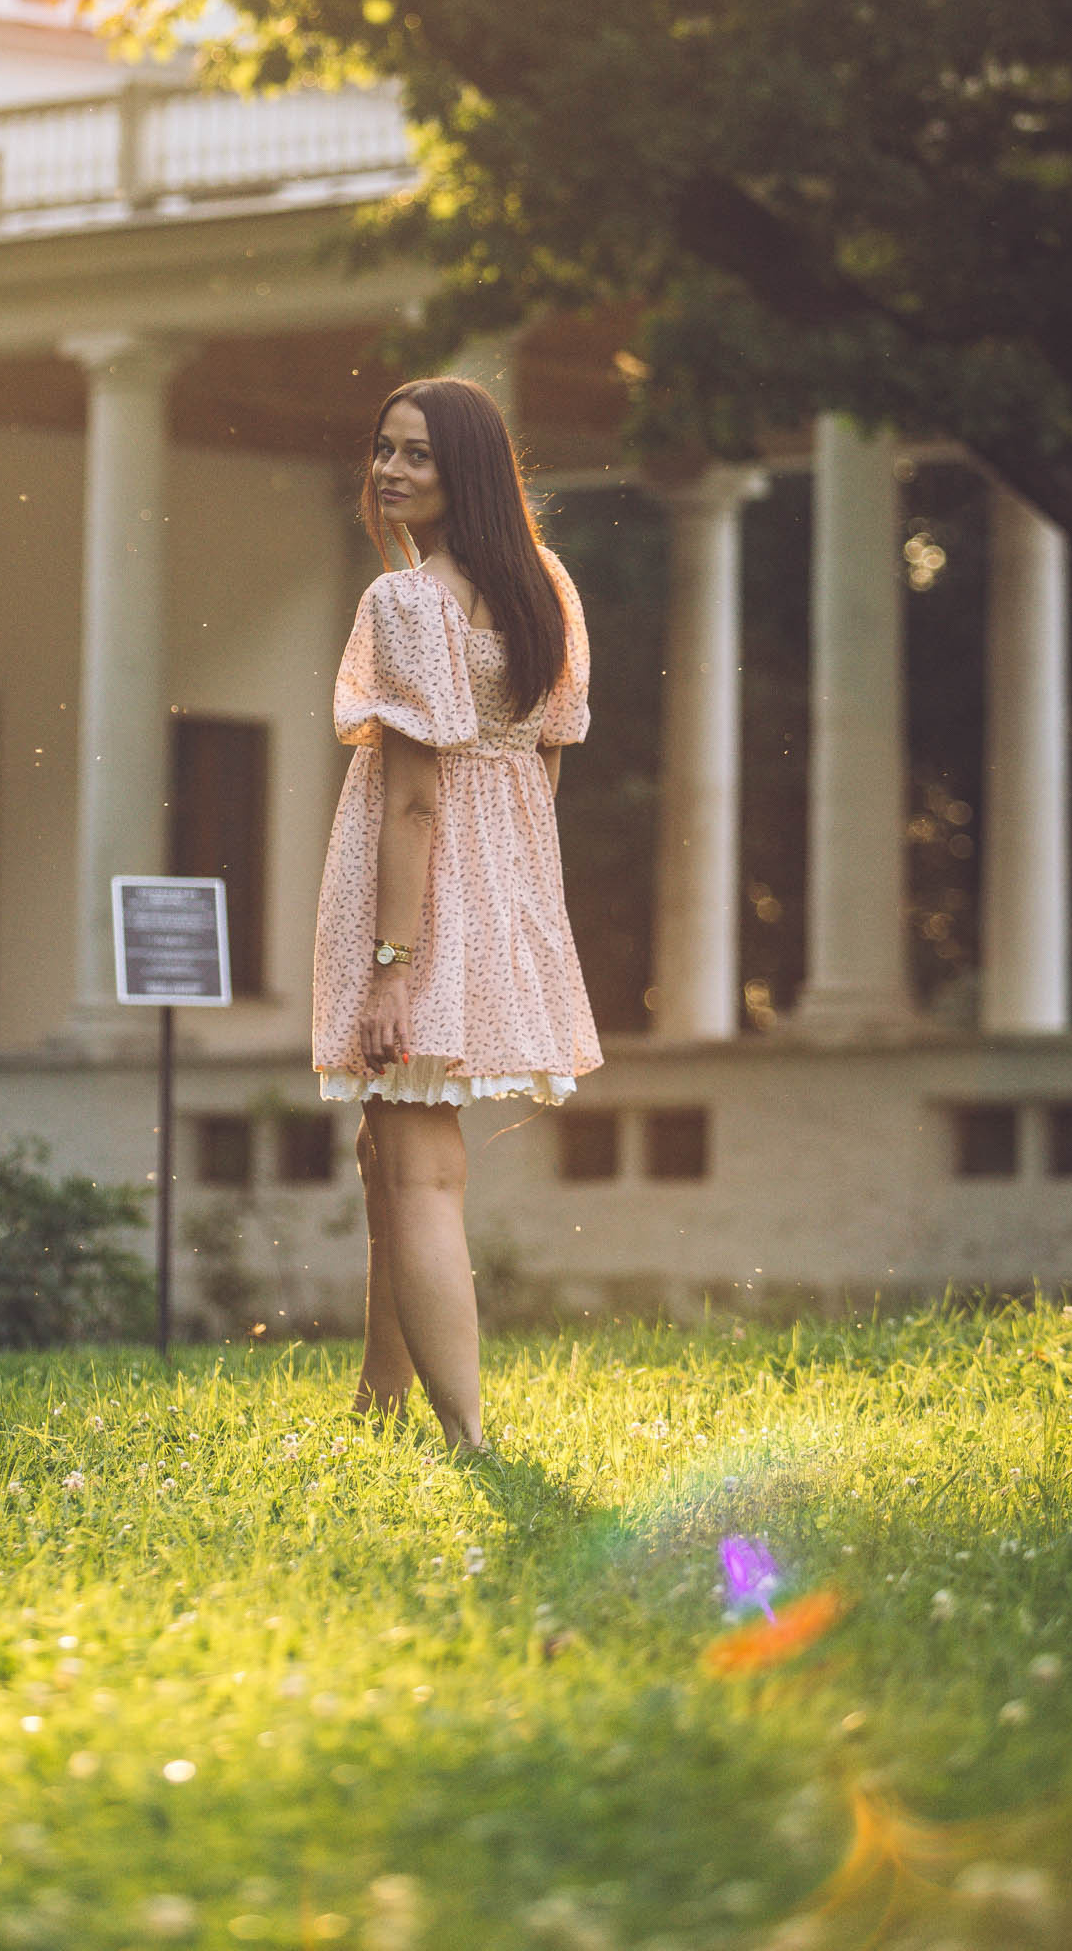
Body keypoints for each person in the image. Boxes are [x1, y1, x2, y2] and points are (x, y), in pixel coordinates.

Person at [312, 376, 601, 1451]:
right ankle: (379, 1401)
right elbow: (547, 759)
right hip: (503, 883)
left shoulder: (405, 603)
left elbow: (415, 794)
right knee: (387, 1149)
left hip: (420, 893)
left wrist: (394, 960)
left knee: (420, 1162)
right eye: (383, 450)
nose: (389, 472)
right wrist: (508, 898)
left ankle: (466, 1437)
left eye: (417, 456)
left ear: (466, 471)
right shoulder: (546, 586)